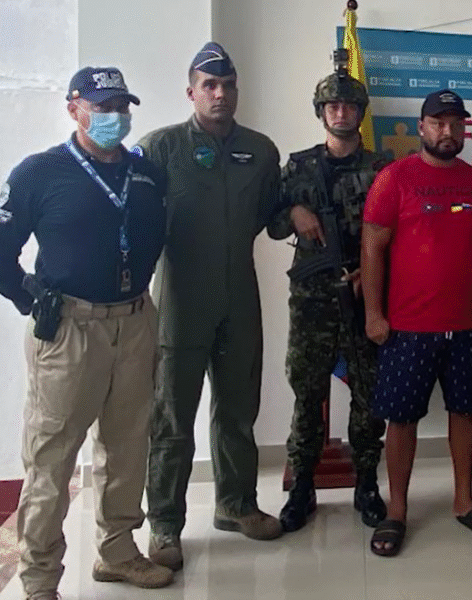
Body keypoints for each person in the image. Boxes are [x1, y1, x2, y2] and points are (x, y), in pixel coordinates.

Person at [0, 67, 174, 599]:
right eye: (102, 106)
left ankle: (117, 552)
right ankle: (39, 580)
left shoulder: (146, 174)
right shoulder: (39, 172)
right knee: (52, 459)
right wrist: (30, 297)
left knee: (127, 447)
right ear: (74, 108)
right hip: (69, 332)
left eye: (121, 106)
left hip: (135, 323)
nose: (113, 116)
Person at [136, 42, 283, 571]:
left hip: (240, 293)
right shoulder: (160, 148)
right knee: (172, 414)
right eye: (210, 85)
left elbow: (272, 215)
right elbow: (136, 221)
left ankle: (236, 504)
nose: (221, 94)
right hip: (181, 295)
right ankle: (165, 525)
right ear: (191, 92)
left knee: (239, 407)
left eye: (229, 85)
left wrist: (301, 211)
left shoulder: (260, 150)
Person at [362, 89, 472, 557]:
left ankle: (464, 500)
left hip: (467, 325)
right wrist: (374, 314)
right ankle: (397, 509)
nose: (448, 131)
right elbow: (372, 247)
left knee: (465, 411)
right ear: (421, 127)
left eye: (456, 123)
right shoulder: (394, 178)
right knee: (401, 419)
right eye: (439, 123)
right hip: (407, 327)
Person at [268, 65, 389, 532]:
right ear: (321, 112)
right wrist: (294, 212)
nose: (341, 112)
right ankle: (302, 487)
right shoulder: (298, 167)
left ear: (361, 112)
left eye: (349, 105)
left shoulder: (381, 169)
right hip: (312, 299)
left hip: (365, 295)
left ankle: (367, 483)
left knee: (368, 394)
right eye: (332, 105)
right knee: (308, 393)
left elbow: (397, 233)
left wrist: (370, 273)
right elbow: (271, 223)